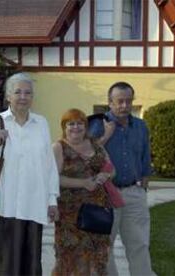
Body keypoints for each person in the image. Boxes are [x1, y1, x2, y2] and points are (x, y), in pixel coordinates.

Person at [0, 72, 59, 276]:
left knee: (32, 265)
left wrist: (52, 199)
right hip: (7, 205)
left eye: (28, 92)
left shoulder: (41, 123)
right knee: (8, 265)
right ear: (8, 96)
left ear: (33, 97)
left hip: (34, 204)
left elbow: (49, 164)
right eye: (18, 92)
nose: (23, 96)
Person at [88, 82, 153, 276]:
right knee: (104, 247)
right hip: (106, 194)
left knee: (139, 245)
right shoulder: (96, 124)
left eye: (128, 101)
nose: (124, 106)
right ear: (110, 103)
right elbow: (87, 156)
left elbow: (145, 156)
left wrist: (143, 184)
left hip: (134, 193)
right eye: (119, 101)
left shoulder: (140, 126)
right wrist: (106, 136)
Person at [52, 108, 113, 275]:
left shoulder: (95, 144)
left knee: (97, 256)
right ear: (64, 127)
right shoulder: (59, 147)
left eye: (80, 123)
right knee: (72, 258)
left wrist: (104, 175)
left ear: (86, 126)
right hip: (70, 213)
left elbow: (111, 168)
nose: (76, 127)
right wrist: (83, 183)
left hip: (98, 210)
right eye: (71, 124)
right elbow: (53, 179)